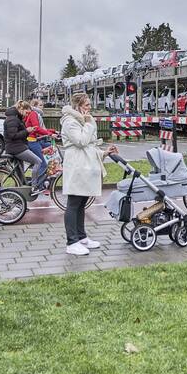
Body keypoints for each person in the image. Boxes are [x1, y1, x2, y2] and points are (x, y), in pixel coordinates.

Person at [60, 92, 117, 256]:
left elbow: (89, 147)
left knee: (81, 202)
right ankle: (71, 242)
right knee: (73, 203)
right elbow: (81, 141)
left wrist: (104, 153)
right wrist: (88, 123)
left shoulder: (81, 121)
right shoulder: (70, 122)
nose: (89, 107)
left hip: (85, 165)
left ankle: (81, 236)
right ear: (78, 106)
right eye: (86, 105)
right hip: (77, 167)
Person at [3, 100, 44, 196]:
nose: (27, 115)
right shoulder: (13, 119)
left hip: (17, 146)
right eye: (26, 112)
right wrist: (27, 130)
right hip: (16, 147)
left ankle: (20, 199)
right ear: (21, 109)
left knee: (20, 177)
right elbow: (13, 135)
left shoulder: (16, 117)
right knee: (38, 161)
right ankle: (34, 187)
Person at [24, 98, 56, 195]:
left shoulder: (33, 113)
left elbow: (39, 128)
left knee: (51, 147)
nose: (43, 107)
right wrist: (50, 134)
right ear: (34, 106)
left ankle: (42, 182)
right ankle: (36, 185)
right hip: (33, 141)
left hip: (35, 140)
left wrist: (52, 131)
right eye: (41, 105)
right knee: (43, 164)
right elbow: (37, 129)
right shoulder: (34, 114)